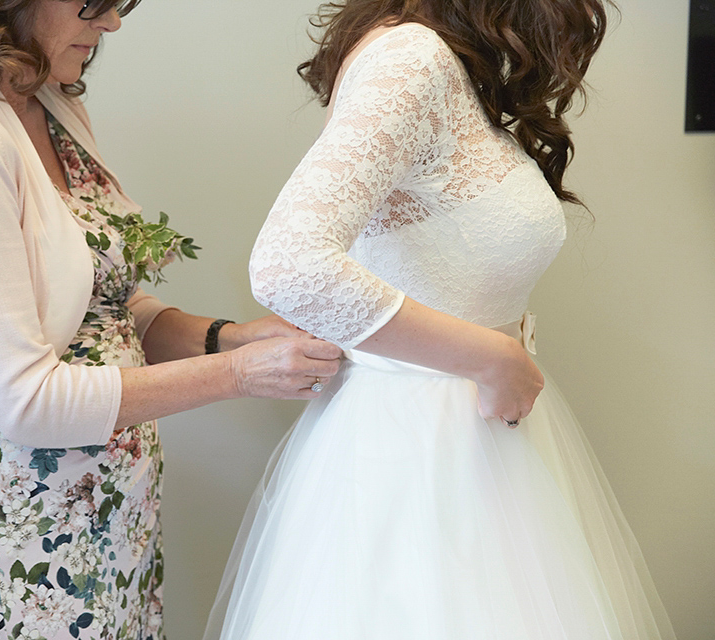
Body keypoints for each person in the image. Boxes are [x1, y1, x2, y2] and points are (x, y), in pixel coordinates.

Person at [0, 0, 343, 638]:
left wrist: (227, 337)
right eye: (95, 2)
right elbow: (27, 400)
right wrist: (241, 373)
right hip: (12, 534)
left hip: (111, 513)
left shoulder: (47, 103)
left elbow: (103, 303)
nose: (112, 24)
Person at [204, 1, 678, 639]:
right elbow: (291, 264)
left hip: (467, 433)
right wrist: (492, 357)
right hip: (420, 449)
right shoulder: (410, 59)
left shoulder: (443, 61)